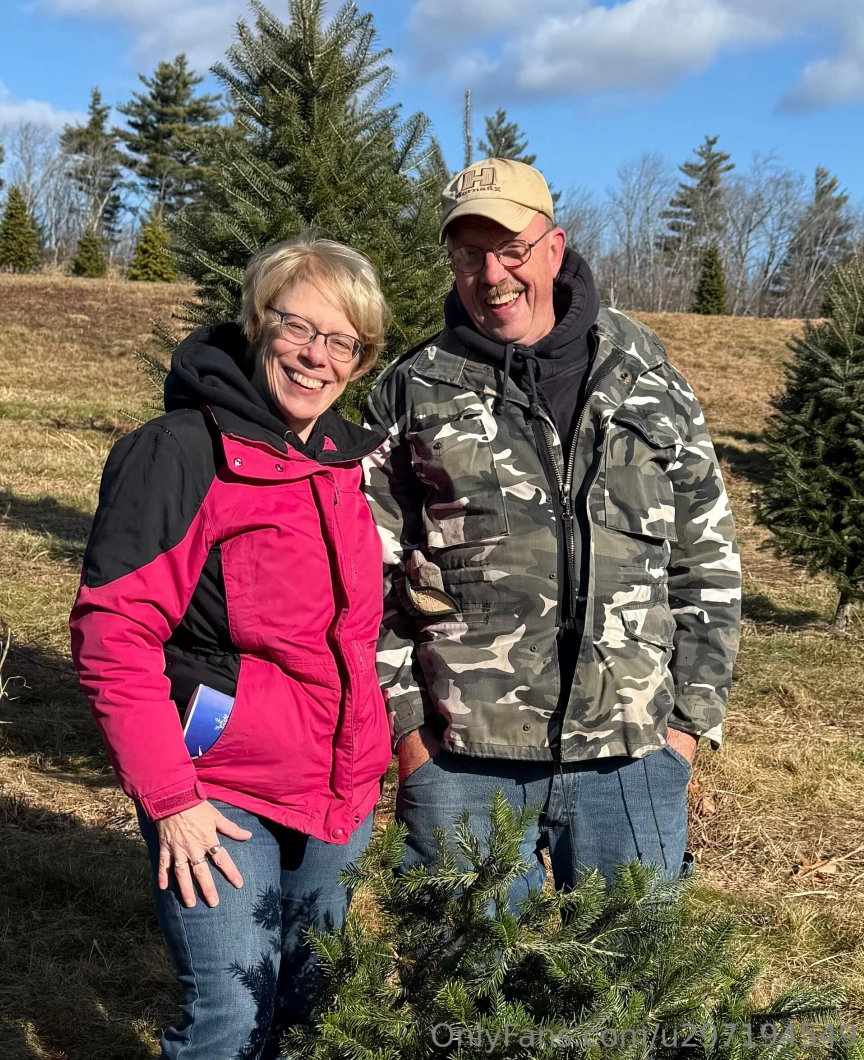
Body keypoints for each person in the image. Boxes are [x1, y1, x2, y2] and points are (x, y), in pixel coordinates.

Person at [362, 159, 741, 901]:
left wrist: (685, 732)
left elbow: (708, 560)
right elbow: (367, 574)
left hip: (631, 759)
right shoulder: (414, 390)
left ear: (555, 248)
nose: (491, 273)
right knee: (463, 992)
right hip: (466, 762)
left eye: (511, 250)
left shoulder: (647, 374)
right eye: (468, 255)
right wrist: (410, 735)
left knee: (628, 987)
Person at [70, 238, 392, 1059]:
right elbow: (115, 633)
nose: (317, 356)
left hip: (334, 797)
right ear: (257, 323)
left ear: (360, 360)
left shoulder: (340, 465)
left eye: (342, 341)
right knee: (229, 1020)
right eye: (298, 327)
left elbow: (352, 636)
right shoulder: (180, 451)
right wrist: (171, 799)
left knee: (310, 1010)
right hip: (220, 793)